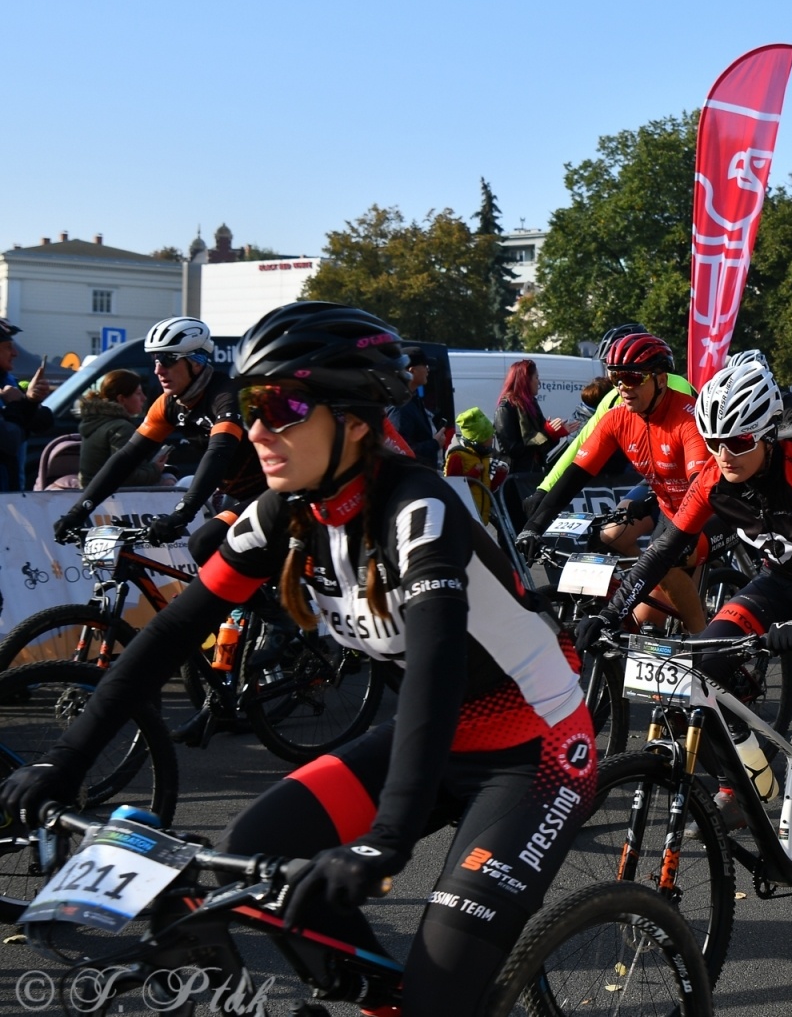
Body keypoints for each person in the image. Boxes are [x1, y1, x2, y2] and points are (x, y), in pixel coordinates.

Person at [4, 302, 596, 1014]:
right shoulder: (286, 510)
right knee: (257, 859)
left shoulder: (417, 509)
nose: (256, 429)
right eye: (250, 405)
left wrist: (386, 840)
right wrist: (63, 763)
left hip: (535, 750)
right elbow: (168, 637)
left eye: (281, 406)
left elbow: (438, 670)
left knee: (438, 994)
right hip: (433, 738)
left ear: (354, 420)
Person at [572, 358, 792, 926]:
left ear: (766, 435)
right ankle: (739, 785)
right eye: (713, 443)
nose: (723, 455)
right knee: (698, 672)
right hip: (780, 582)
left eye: (737, 443)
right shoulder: (715, 475)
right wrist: (612, 614)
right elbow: (663, 550)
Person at [526, 332, 710, 632]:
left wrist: (666, 541)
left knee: (666, 561)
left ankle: (702, 643)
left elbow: (700, 487)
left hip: (709, 508)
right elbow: (575, 475)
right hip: (669, 508)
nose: (623, 387)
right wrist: (534, 527)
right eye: (615, 377)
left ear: (661, 380)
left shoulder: (687, 418)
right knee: (646, 621)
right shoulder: (617, 419)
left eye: (632, 377)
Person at [54, 317, 264, 557]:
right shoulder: (168, 404)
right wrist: (79, 511)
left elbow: (218, 453)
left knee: (202, 544)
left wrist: (182, 514)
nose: (158, 369)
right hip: (240, 495)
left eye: (168, 359)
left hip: (272, 491)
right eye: (155, 358)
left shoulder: (226, 397)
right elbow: (126, 458)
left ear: (196, 362)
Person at [495, 358, 569, 517]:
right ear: (525, 380)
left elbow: (542, 446)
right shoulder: (506, 408)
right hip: (515, 479)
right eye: (536, 377)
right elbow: (512, 449)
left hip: (533, 474)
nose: (539, 382)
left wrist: (556, 434)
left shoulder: (531, 404)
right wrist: (548, 433)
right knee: (519, 520)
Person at [75, 369, 171, 486]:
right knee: (171, 480)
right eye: (138, 393)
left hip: (90, 491)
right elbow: (125, 476)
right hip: (114, 495)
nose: (144, 398)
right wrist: (155, 469)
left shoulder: (97, 421)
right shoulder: (120, 428)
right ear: (121, 399)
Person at [0, 319, 54, 491]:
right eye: (8, 347)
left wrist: (31, 400)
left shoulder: (10, 382)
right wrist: (16, 405)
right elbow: (9, 441)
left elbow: (44, 422)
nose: (15, 353)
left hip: (10, 491)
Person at [443, 406, 506, 524]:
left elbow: (486, 488)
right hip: (463, 518)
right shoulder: (457, 456)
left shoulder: (484, 457)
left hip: (480, 519)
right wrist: (475, 472)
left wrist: (499, 475)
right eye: (489, 435)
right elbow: (454, 487)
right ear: (479, 438)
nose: (493, 438)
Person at [385, 346, 445, 469]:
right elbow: (399, 451)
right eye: (425, 365)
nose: (428, 369)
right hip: (410, 476)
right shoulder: (400, 406)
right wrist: (434, 444)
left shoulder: (413, 399)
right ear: (412, 371)